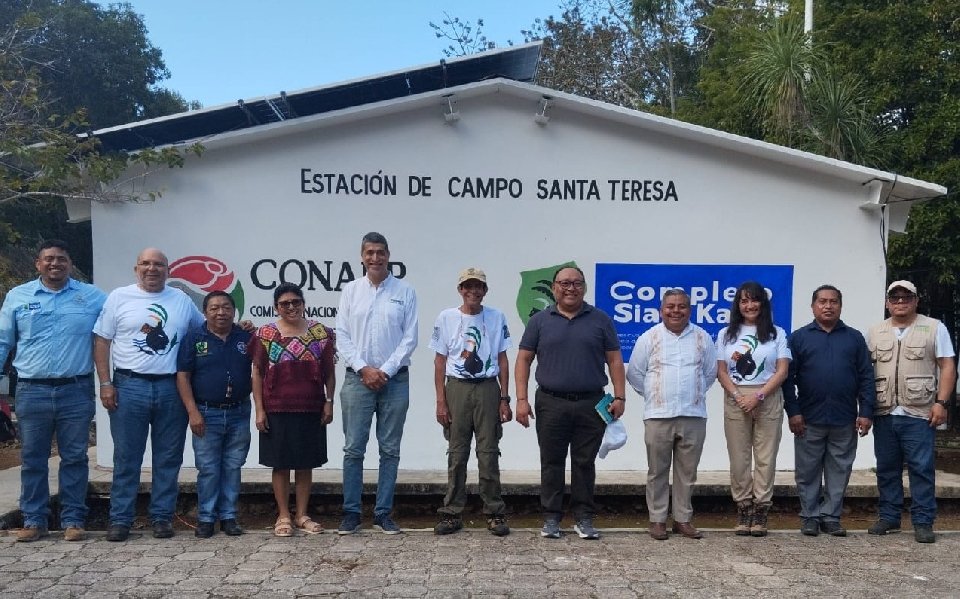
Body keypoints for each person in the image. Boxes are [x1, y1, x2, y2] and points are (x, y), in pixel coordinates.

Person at [94, 248, 206, 542]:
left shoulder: (181, 299)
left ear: (168, 270)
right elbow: (102, 341)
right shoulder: (119, 297)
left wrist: (239, 328)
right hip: (129, 386)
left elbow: (204, 329)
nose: (152, 269)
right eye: (145, 263)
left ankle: (162, 518)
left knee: (168, 457)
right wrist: (105, 383)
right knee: (126, 457)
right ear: (136, 269)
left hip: (171, 388)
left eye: (158, 264)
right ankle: (120, 520)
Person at [0, 240, 106, 542]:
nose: (55, 263)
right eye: (48, 259)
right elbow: (3, 341)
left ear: (70, 264)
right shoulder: (18, 296)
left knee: (74, 457)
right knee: (33, 458)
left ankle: (73, 520)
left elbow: (119, 325)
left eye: (61, 259)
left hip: (76, 389)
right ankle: (34, 520)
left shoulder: (92, 297)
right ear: (38, 263)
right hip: (31, 390)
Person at [515, 266, 626, 540]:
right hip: (550, 402)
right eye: (564, 283)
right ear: (554, 287)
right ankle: (551, 517)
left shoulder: (600, 320)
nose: (570, 288)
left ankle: (584, 518)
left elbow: (614, 359)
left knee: (584, 462)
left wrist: (620, 396)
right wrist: (521, 399)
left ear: (584, 287)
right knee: (551, 461)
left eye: (576, 283)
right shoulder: (539, 321)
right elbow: (524, 359)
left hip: (591, 403)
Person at [335, 232, 418, 535]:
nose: (375, 258)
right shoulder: (351, 290)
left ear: (388, 255)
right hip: (357, 379)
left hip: (394, 380)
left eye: (380, 252)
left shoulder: (405, 291)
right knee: (353, 449)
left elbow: (410, 338)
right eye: (369, 252)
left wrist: (384, 370)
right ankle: (351, 513)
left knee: (390, 450)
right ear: (362, 256)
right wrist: (364, 369)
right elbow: (341, 335)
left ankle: (383, 513)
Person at [866, 280, 956, 543]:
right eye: (895, 298)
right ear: (887, 303)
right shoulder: (875, 332)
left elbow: (948, 366)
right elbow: (864, 371)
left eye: (906, 297)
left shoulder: (934, 328)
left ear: (916, 301)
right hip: (884, 411)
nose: (900, 302)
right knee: (886, 468)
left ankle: (923, 521)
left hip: (919, 412)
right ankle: (889, 517)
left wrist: (941, 402)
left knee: (921, 469)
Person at [785, 285, 875, 537]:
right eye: (822, 301)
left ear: (840, 306)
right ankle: (810, 517)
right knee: (807, 471)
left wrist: (866, 411)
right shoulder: (799, 338)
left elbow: (866, 377)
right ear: (813, 306)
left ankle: (831, 517)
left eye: (833, 301)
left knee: (840, 469)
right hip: (808, 418)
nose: (828, 306)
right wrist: (793, 411)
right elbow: (787, 379)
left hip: (844, 418)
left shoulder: (854, 338)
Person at [627, 289, 717, 541]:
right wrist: (654, 395)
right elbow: (635, 373)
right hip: (658, 415)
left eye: (682, 306)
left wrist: (692, 393)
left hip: (693, 414)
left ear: (690, 310)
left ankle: (682, 519)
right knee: (657, 471)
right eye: (670, 306)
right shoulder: (649, 338)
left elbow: (709, 373)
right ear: (661, 310)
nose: (676, 311)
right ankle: (657, 520)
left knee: (687, 472)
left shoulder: (702, 338)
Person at [431, 268, 512, 537]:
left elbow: (502, 359)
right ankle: (452, 513)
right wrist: (441, 401)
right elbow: (440, 361)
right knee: (457, 453)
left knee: (488, 452)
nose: (473, 291)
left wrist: (504, 398)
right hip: (457, 388)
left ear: (485, 290)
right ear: (460, 290)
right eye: (468, 286)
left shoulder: (496, 317)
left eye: (478, 286)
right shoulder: (446, 317)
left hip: (488, 388)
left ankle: (494, 512)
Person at [249, 282, 335, 537]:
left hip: (311, 408)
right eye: (284, 303)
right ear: (276, 307)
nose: (291, 307)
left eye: (296, 302)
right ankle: (284, 514)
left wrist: (329, 401)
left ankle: (302, 515)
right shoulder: (265, 334)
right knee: (280, 463)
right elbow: (257, 373)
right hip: (276, 408)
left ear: (303, 304)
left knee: (305, 463)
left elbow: (329, 372)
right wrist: (259, 410)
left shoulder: (321, 333)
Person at [715, 281, 791, 537]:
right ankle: (743, 507)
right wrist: (739, 396)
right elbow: (721, 371)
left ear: (763, 303)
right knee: (739, 457)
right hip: (735, 397)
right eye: (744, 301)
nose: (749, 305)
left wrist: (758, 396)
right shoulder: (726, 334)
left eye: (754, 300)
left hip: (767, 396)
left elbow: (782, 370)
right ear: (738, 305)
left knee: (765, 457)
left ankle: (761, 509)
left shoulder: (777, 333)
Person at [176, 291, 252, 538]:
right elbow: (183, 376)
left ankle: (229, 517)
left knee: (233, 466)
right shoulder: (193, 338)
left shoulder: (245, 337)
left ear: (234, 310)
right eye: (214, 308)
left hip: (239, 412)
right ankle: (206, 518)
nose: (221, 312)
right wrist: (192, 412)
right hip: (206, 413)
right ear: (205, 312)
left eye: (226, 307)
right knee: (208, 468)